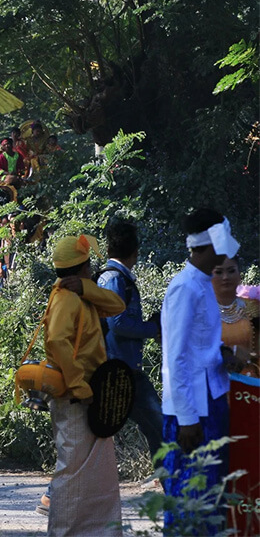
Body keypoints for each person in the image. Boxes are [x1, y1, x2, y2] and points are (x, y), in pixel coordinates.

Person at [161, 208, 242, 533]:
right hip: (193, 411)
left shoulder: (203, 285)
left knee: (212, 496)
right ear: (210, 246)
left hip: (212, 399)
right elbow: (175, 357)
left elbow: (200, 345)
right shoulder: (185, 288)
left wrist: (224, 354)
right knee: (191, 497)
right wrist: (187, 420)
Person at [44, 234, 126, 536]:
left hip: (91, 396)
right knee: (72, 472)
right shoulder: (65, 299)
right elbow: (56, 341)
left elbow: (117, 305)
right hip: (77, 398)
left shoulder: (80, 295)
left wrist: (88, 289)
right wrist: (80, 386)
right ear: (83, 267)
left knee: (96, 475)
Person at [97, 220, 163, 456]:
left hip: (120, 369)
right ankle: (172, 489)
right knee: (160, 427)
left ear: (108, 250)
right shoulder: (115, 280)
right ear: (136, 253)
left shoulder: (113, 278)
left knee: (98, 438)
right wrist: (153, 329)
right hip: (120, 372)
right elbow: (118, 323)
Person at [212, 256, 259, 369]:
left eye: (231, 271)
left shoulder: (254, 307)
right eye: (219, 272)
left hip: (250, 380)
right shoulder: (201, 311)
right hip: (213, 380)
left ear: (239, 275)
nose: (225, 277)